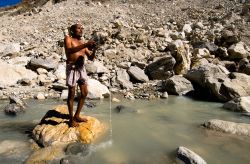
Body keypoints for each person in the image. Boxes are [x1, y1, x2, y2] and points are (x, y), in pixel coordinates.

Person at [64, 23, 96, 127]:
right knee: (72, 94)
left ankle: (77, 115)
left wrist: (94, 49)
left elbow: (90, 57)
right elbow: (69, 51)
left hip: (81, 69)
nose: (81, 30)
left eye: (82, 28)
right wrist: (86, 45)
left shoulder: (82, 42)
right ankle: (70, 120)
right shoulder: (68, 38)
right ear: (72, 30)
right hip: (72, 68)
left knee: (84, 93)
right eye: (79, 28)